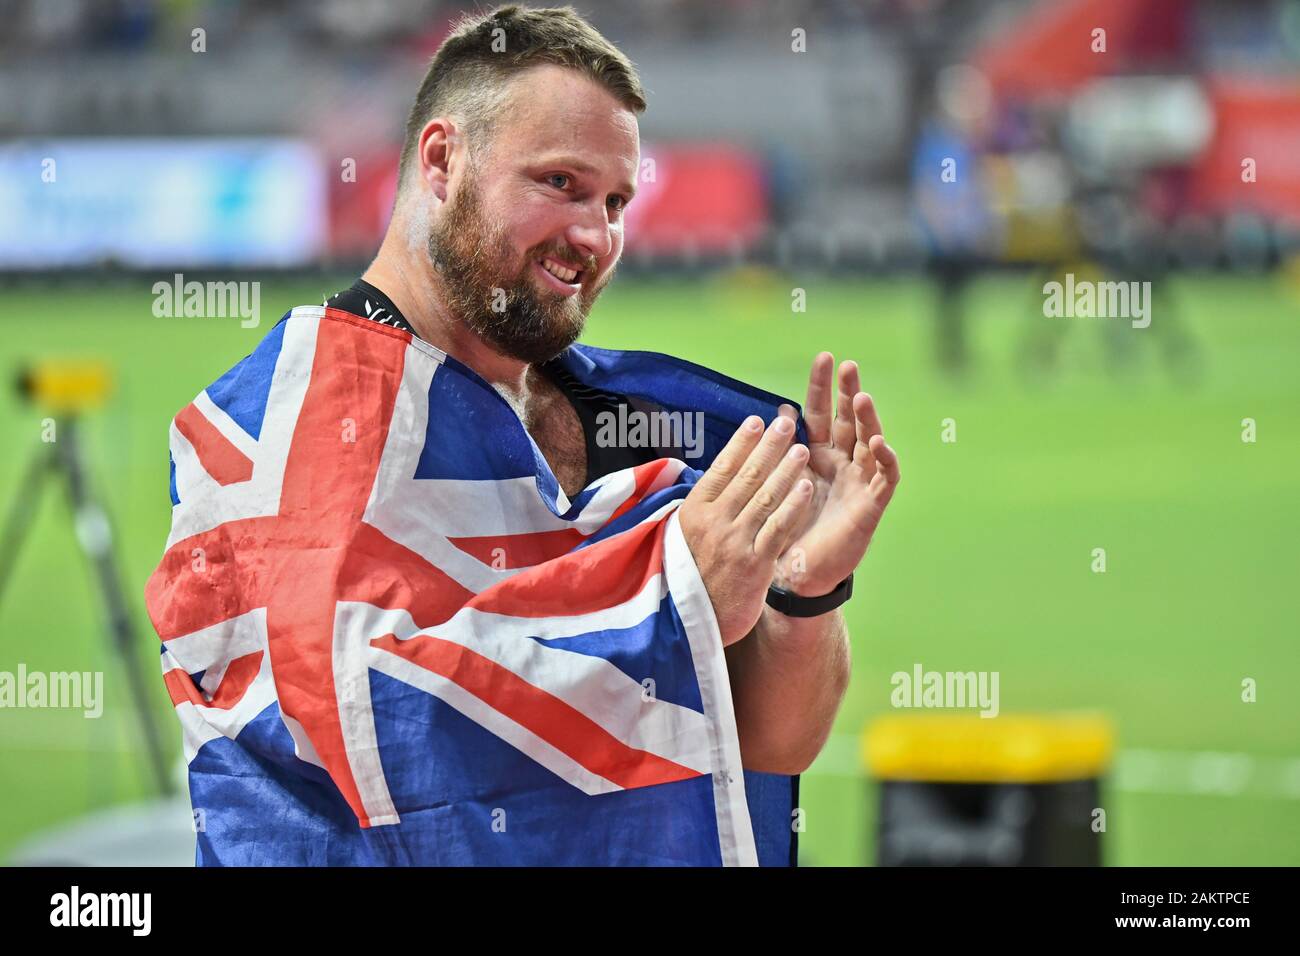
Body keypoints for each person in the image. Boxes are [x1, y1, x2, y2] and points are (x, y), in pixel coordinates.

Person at [146, 4, 900, 866]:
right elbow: (341, 725)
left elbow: (772, 741)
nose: (596, 235)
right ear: (441, 161)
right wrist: (665, 600)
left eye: (616, 200)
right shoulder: (287, 419)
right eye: (560, 184)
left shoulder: (644, 418)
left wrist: (807, 591)